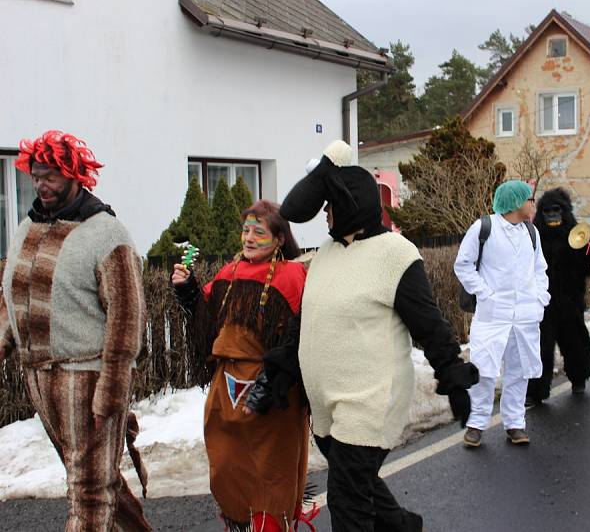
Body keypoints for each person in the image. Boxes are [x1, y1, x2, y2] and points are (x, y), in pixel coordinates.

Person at [278, 140, 478, 532]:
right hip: (328, 401)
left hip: (370, 397)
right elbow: (307, 320)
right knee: (358, 481)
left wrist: (451, 373)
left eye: (329, 208)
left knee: (347, 498)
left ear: (349, 203)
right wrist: (282, 367)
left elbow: (428, 322)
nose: (325, 217)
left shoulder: (394, 254)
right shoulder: (327, 255)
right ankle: (401, 525)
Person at [0, 130, 151, 530]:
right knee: (98, 481)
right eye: (35, 175)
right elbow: (11, 294)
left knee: (88, 491)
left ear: (74, 175)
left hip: (87, 379)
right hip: (40, 377)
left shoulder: (105, 233)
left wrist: (111, 392)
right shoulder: (29, 226)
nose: (40, 184)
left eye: (50, 176)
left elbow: (127, 317)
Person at [172, 200, 314, 531]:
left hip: (274, 391)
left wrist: (272, 383)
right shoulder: (228, 273)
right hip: (227, 387)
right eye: (245, 230)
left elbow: (299, 339)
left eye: (258, 232)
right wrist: (188, 290)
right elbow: (206, 321)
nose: (248, 238)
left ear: (279, 239)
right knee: (228, 465)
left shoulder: (293, 276)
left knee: (271, 470)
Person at [455, 180, 549, 446]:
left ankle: (515, 423)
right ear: (517, 202)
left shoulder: (531, 232)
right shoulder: (485, 228)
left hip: (525, 316)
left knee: (518, 371)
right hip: (493, 315)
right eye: (530, 199)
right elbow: (463, 265)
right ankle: (476, 423)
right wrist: (485, 293)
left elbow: (540, 268)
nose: (533, 203)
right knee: (484, 370)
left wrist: (540, 297)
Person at [526, 187, 590, 405]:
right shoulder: (534, 238)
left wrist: (588, 248)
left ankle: (579, 379)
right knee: (540, 347)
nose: (552, 216)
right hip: (542, 303)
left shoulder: (578, 235)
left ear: (565, 212)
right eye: (548, 212)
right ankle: (536, 391)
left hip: (571, 300)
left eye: (556, 211)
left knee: (575, 342)